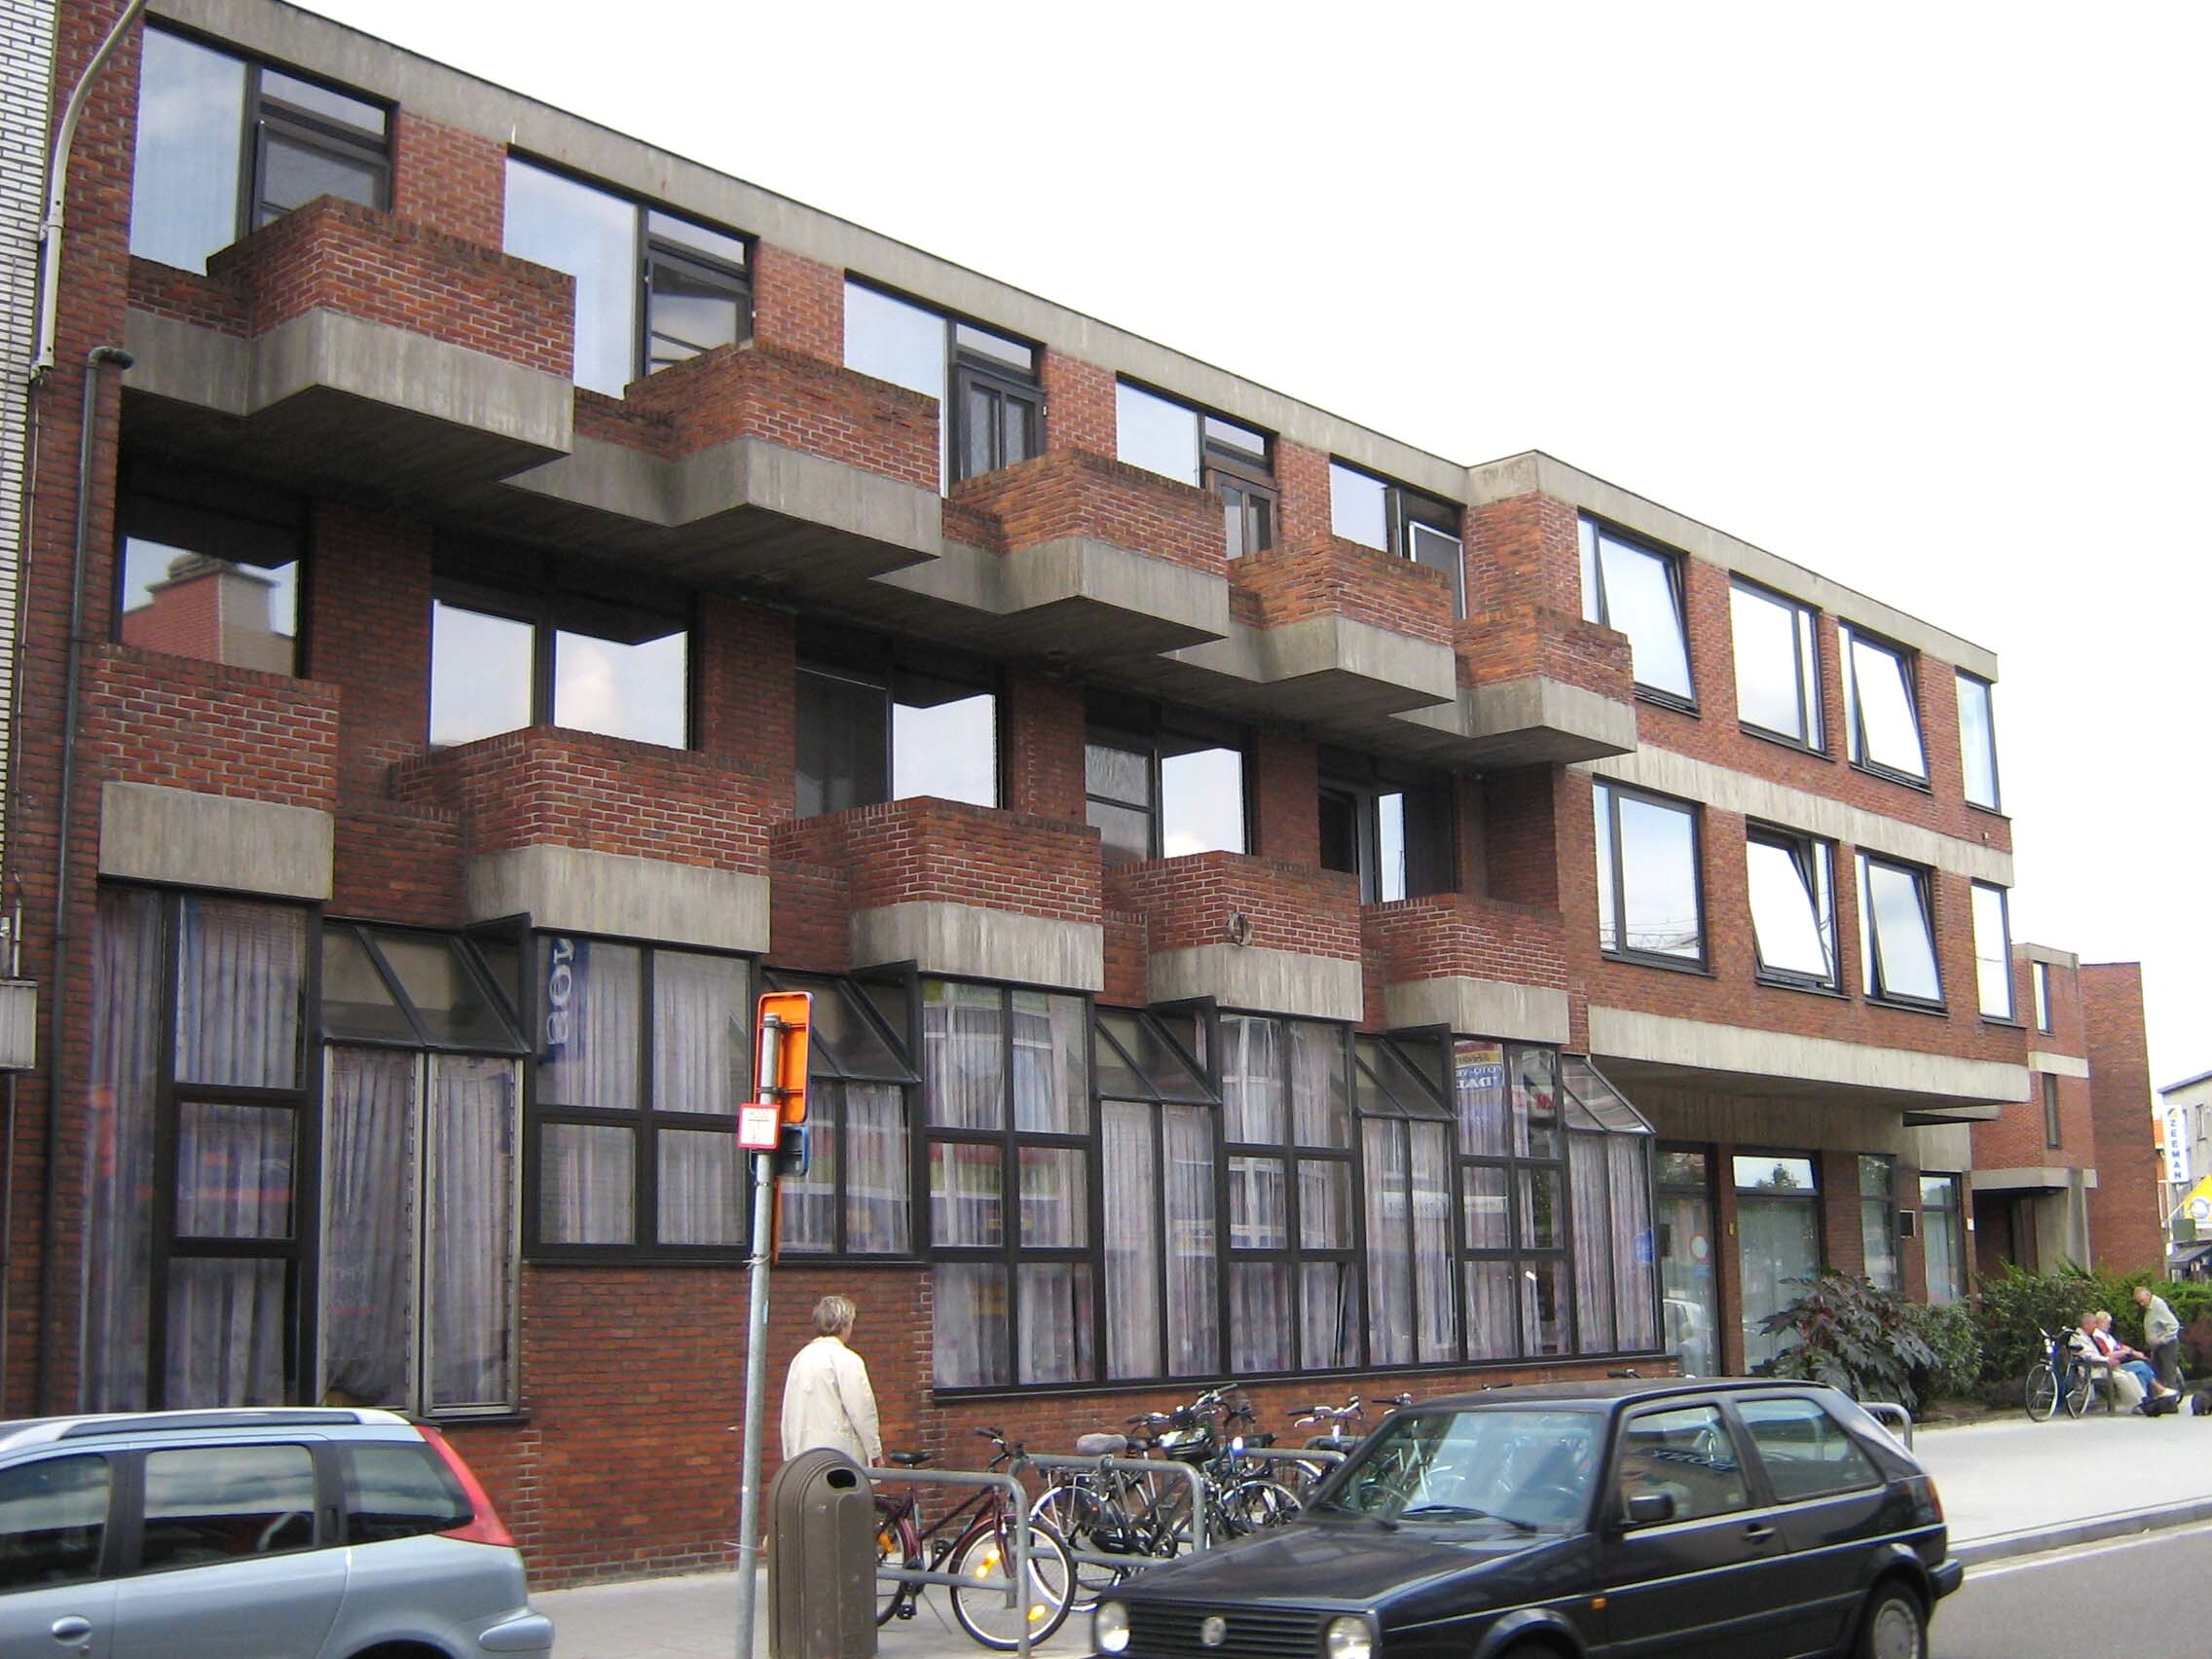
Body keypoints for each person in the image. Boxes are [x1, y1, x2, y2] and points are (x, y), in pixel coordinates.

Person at [781, 1294, 883, 1467]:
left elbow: (789, 1413)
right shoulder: (848, 1360)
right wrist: (875, 1452)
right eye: (851, 1323)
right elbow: (861, 1410)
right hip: (839, 1456)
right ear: (843, 1325)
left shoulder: (799, 1359)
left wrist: (789, 1454)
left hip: (802, 1458)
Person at [2085, 1309, 2182, 1414]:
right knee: (2140, 1366)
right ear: (2100, 1323)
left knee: (2141, 1372)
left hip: (2117, 1364)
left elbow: (2120, 1346)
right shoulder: (2098, 1336)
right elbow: (2108, 1354)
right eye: (2107, 1323)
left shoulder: (2107, 1336)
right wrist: (2126, 1352)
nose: (2109, 1326)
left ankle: (2143, 1403)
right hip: (2111, 1366)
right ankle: (2158, 1390)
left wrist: (2134, 1352)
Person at [2135, 1285, 2184, 1392]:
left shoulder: (2158, 1305)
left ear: (2148, 1295)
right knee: (2159, 1373)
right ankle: (2165, 1397)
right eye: (2139, 1302)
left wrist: (2162, 1339)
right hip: (2157, 1347)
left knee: (2168, 1373)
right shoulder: (2149, 1307)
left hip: (2166, 1345)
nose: (2141, 1304)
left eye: (2142, 1300)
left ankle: (2171, 1398)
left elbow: (2173, 1325)